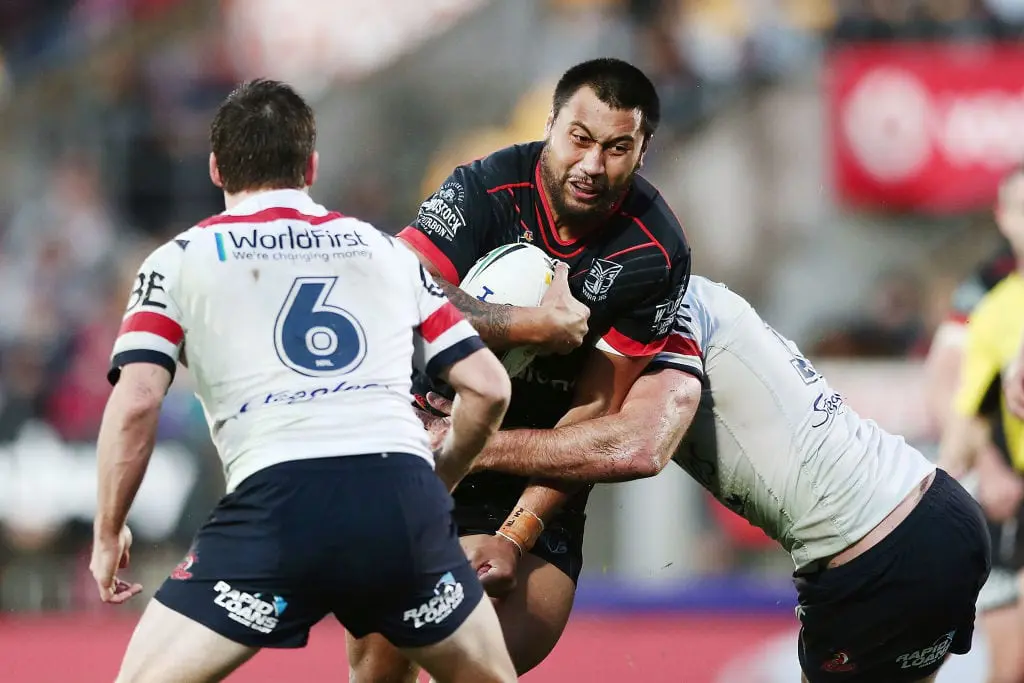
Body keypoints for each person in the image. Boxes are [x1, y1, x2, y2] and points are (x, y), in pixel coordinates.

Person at [89, 79, 518, 683]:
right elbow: (489, 387)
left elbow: (136, 401)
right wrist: (437, 478)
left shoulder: (177, 259)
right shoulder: (386, 252)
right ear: (311, 165)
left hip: (278, 506)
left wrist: (108, 531)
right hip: (397, 501)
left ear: (215, 168)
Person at [423, 275, 990, 683]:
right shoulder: (663, 299)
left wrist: (476, 445)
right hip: (931, 514)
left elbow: (638, 446)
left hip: (877, 555)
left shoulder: (656, 308)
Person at [349, 57, 692, 681]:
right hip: (425, 443)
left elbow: (595, 408)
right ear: (551, 125)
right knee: (380, 659)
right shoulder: (484, 187)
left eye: (617, 148)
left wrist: (515, 535)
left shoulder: (654, 249)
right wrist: (528, 325)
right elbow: (396, 290)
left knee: (481, 661)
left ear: (642, 152)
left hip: (533, 468)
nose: (592, 165)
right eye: (579, 139)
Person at [939, 166, 1024, 683]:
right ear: (1003, 219)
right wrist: (981, 471)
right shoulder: (991, 311)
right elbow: (967, 415)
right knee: (1010, 666)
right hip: (1014, 502)